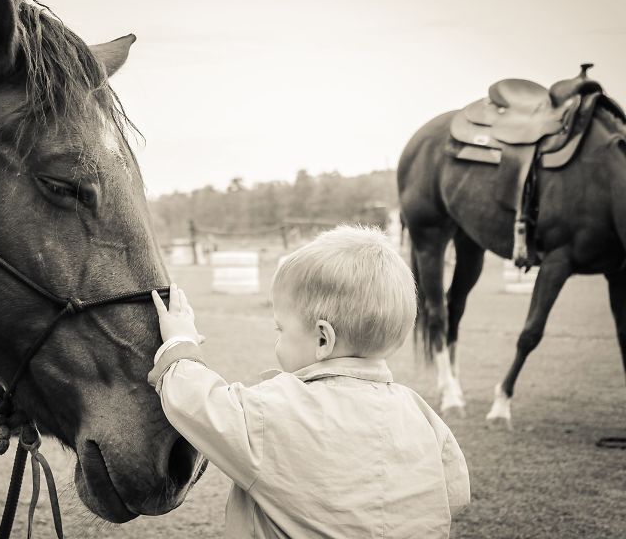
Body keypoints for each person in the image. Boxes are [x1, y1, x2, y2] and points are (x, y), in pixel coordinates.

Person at [149, 225, 469, 538]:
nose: (278, 340)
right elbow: (455, 493)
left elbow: (197, 401)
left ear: (322, 340)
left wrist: (180, 341)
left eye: (281, 330)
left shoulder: (272, 410)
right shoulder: (421, 415)